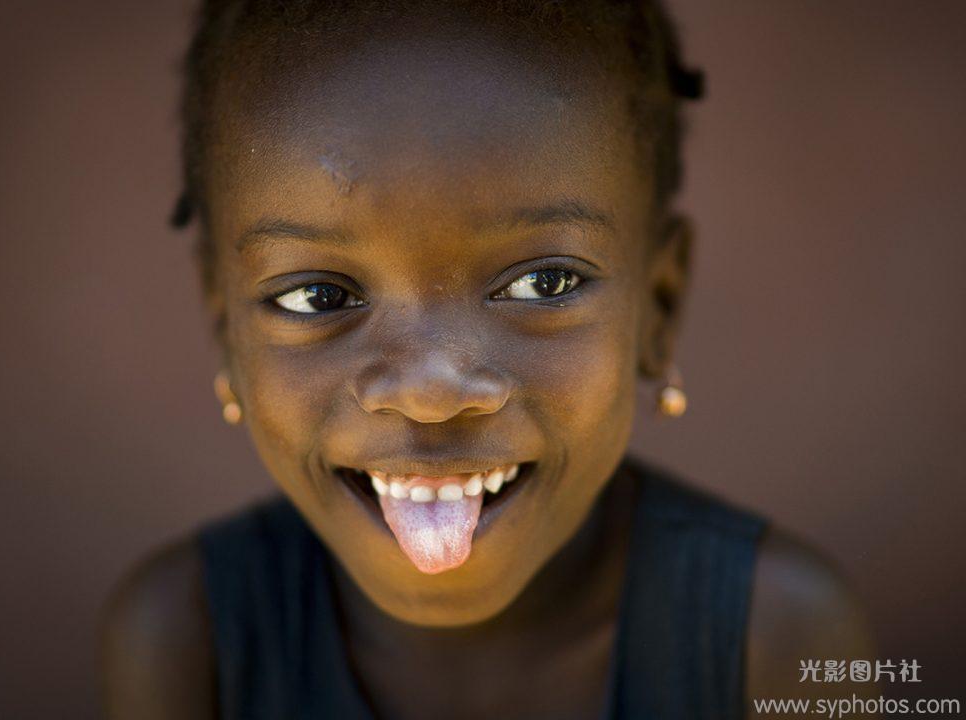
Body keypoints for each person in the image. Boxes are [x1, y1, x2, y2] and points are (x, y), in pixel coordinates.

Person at [101, 1, 877, 717]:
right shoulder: (184, 640)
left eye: (544, 283)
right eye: (318, 297)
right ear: (224, 328)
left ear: (659, 309)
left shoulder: (776, 637)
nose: (432, 393)